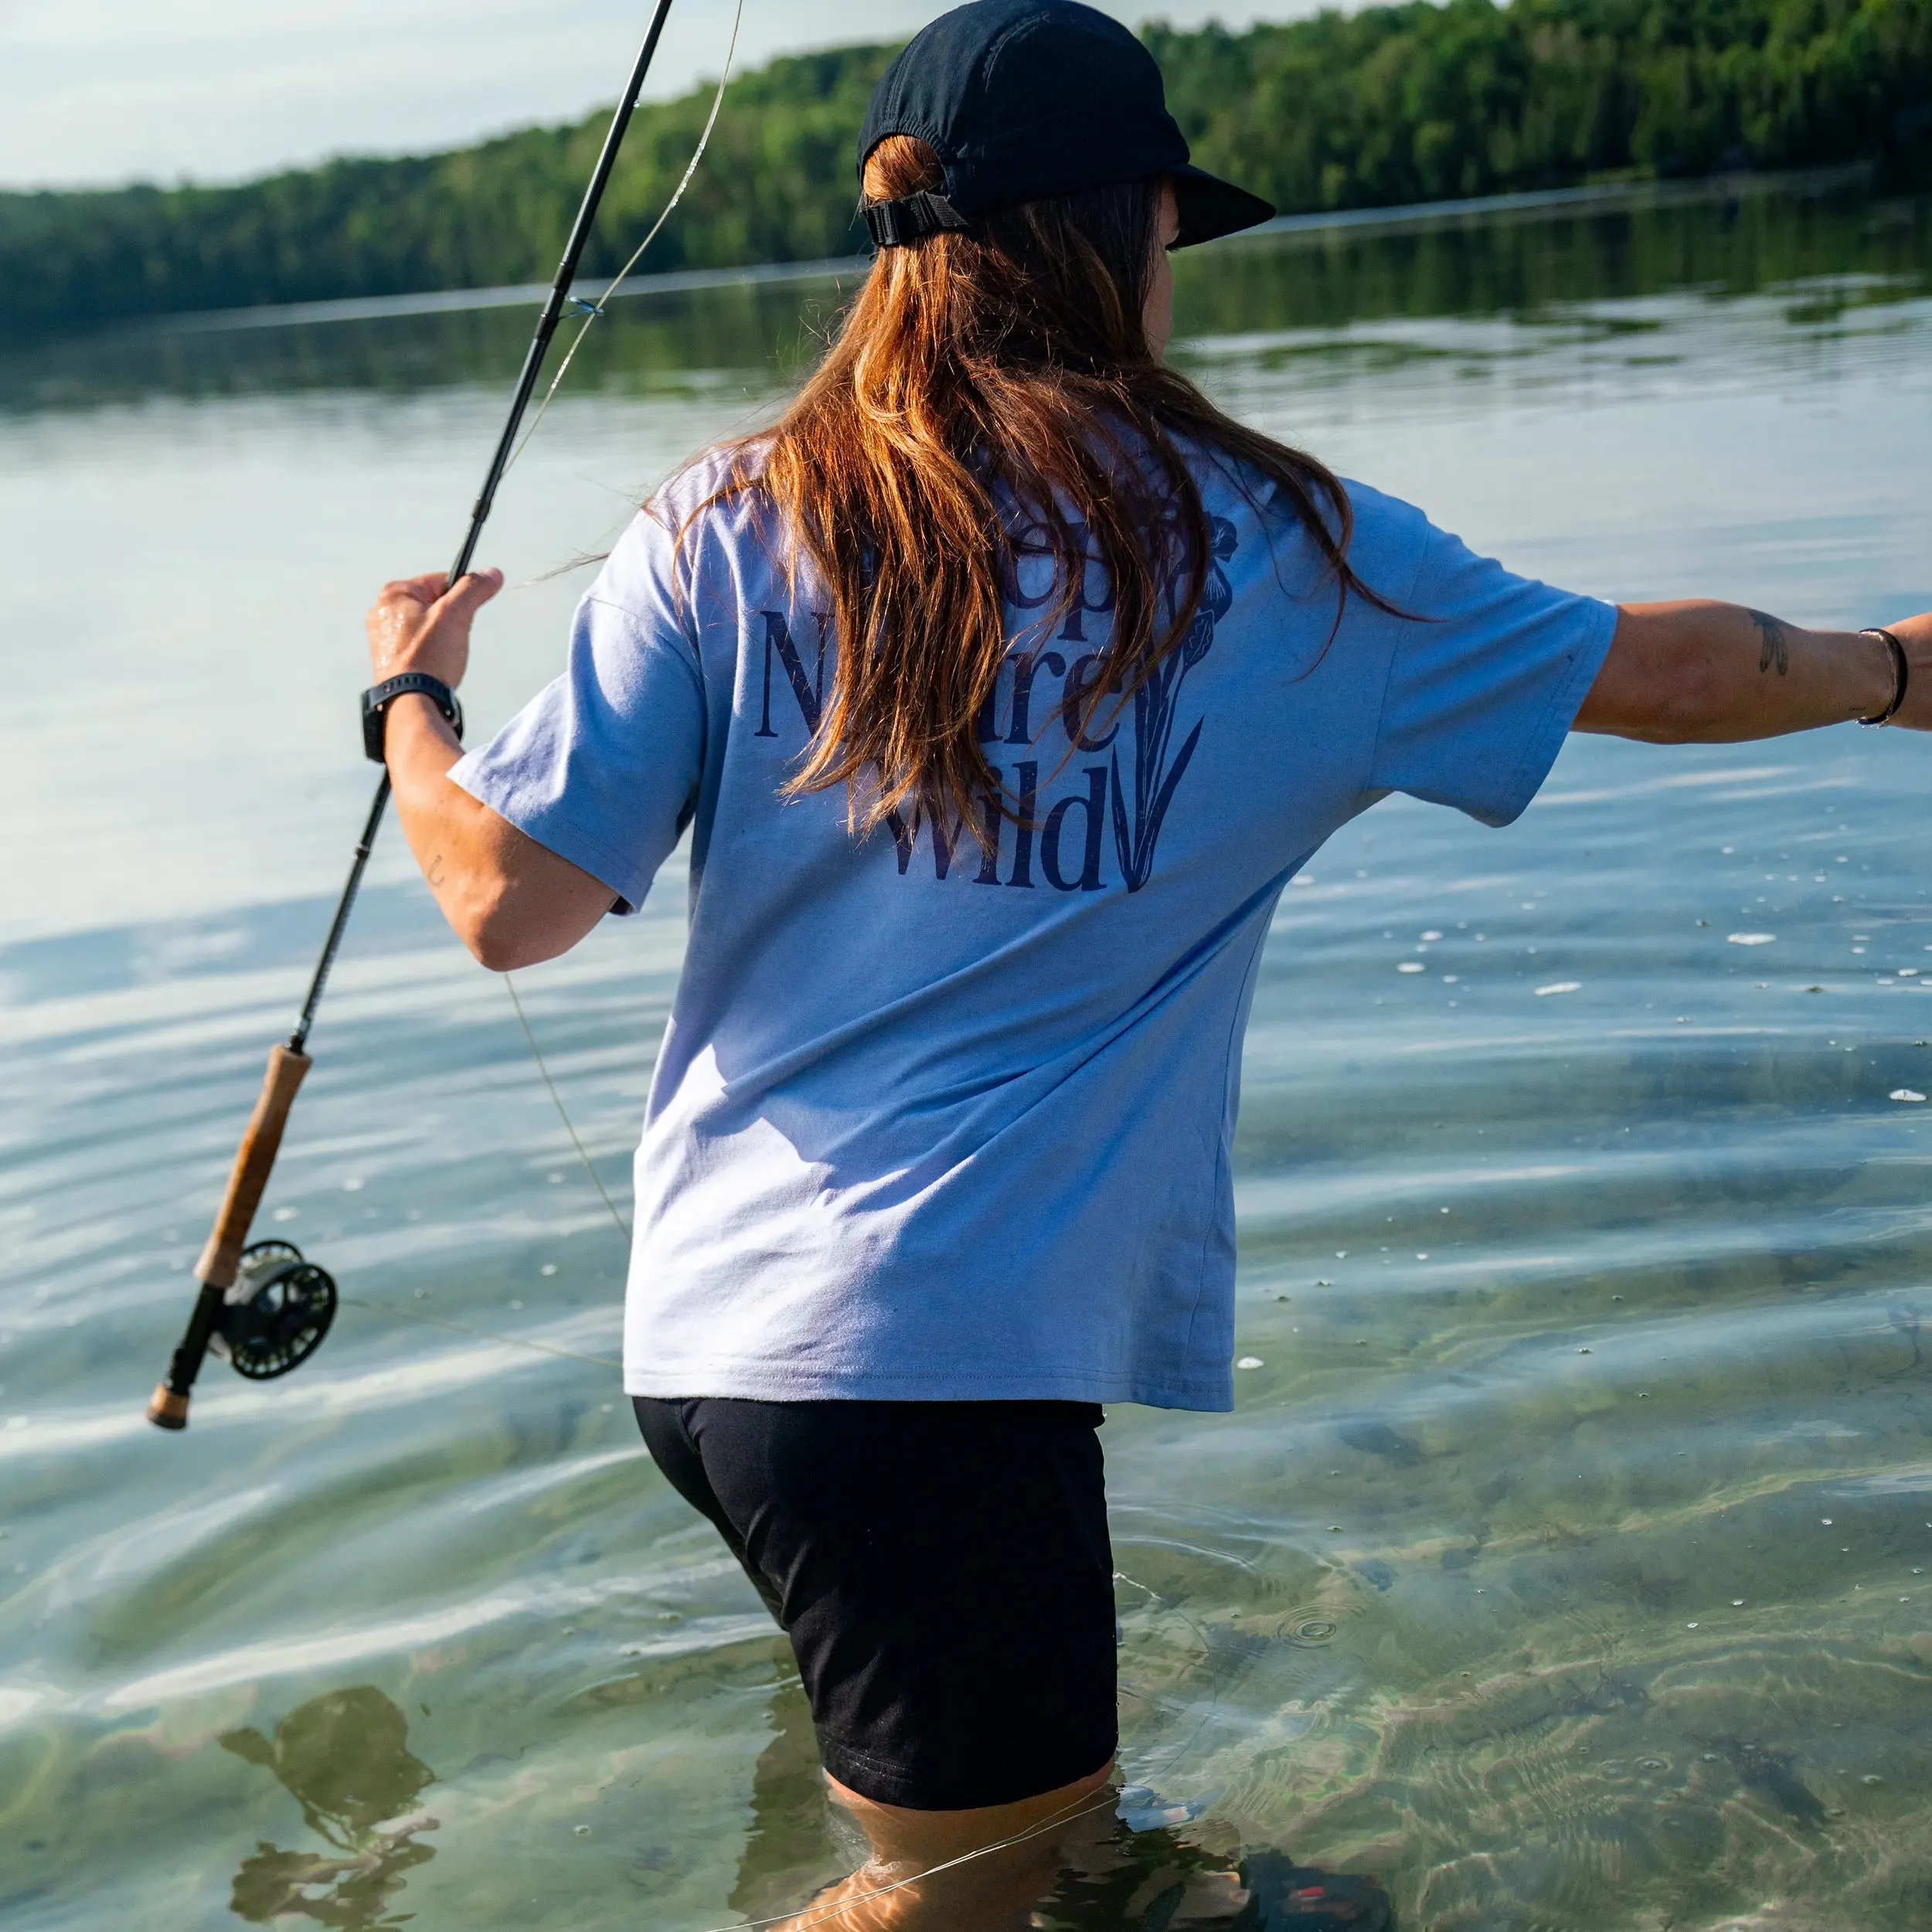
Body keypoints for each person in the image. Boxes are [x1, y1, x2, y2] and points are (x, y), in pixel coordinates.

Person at [359, 3, 1928, 1923]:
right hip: (928, 1377)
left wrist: (410, 703)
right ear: (1126, 234)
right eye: (1168, 230)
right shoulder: (1276, 548)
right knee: (981, 1892)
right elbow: (1670, 671)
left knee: (1104, 1872)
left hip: (710, 1352)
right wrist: (1898, 670)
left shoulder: (721, 522)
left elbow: (501, 898)